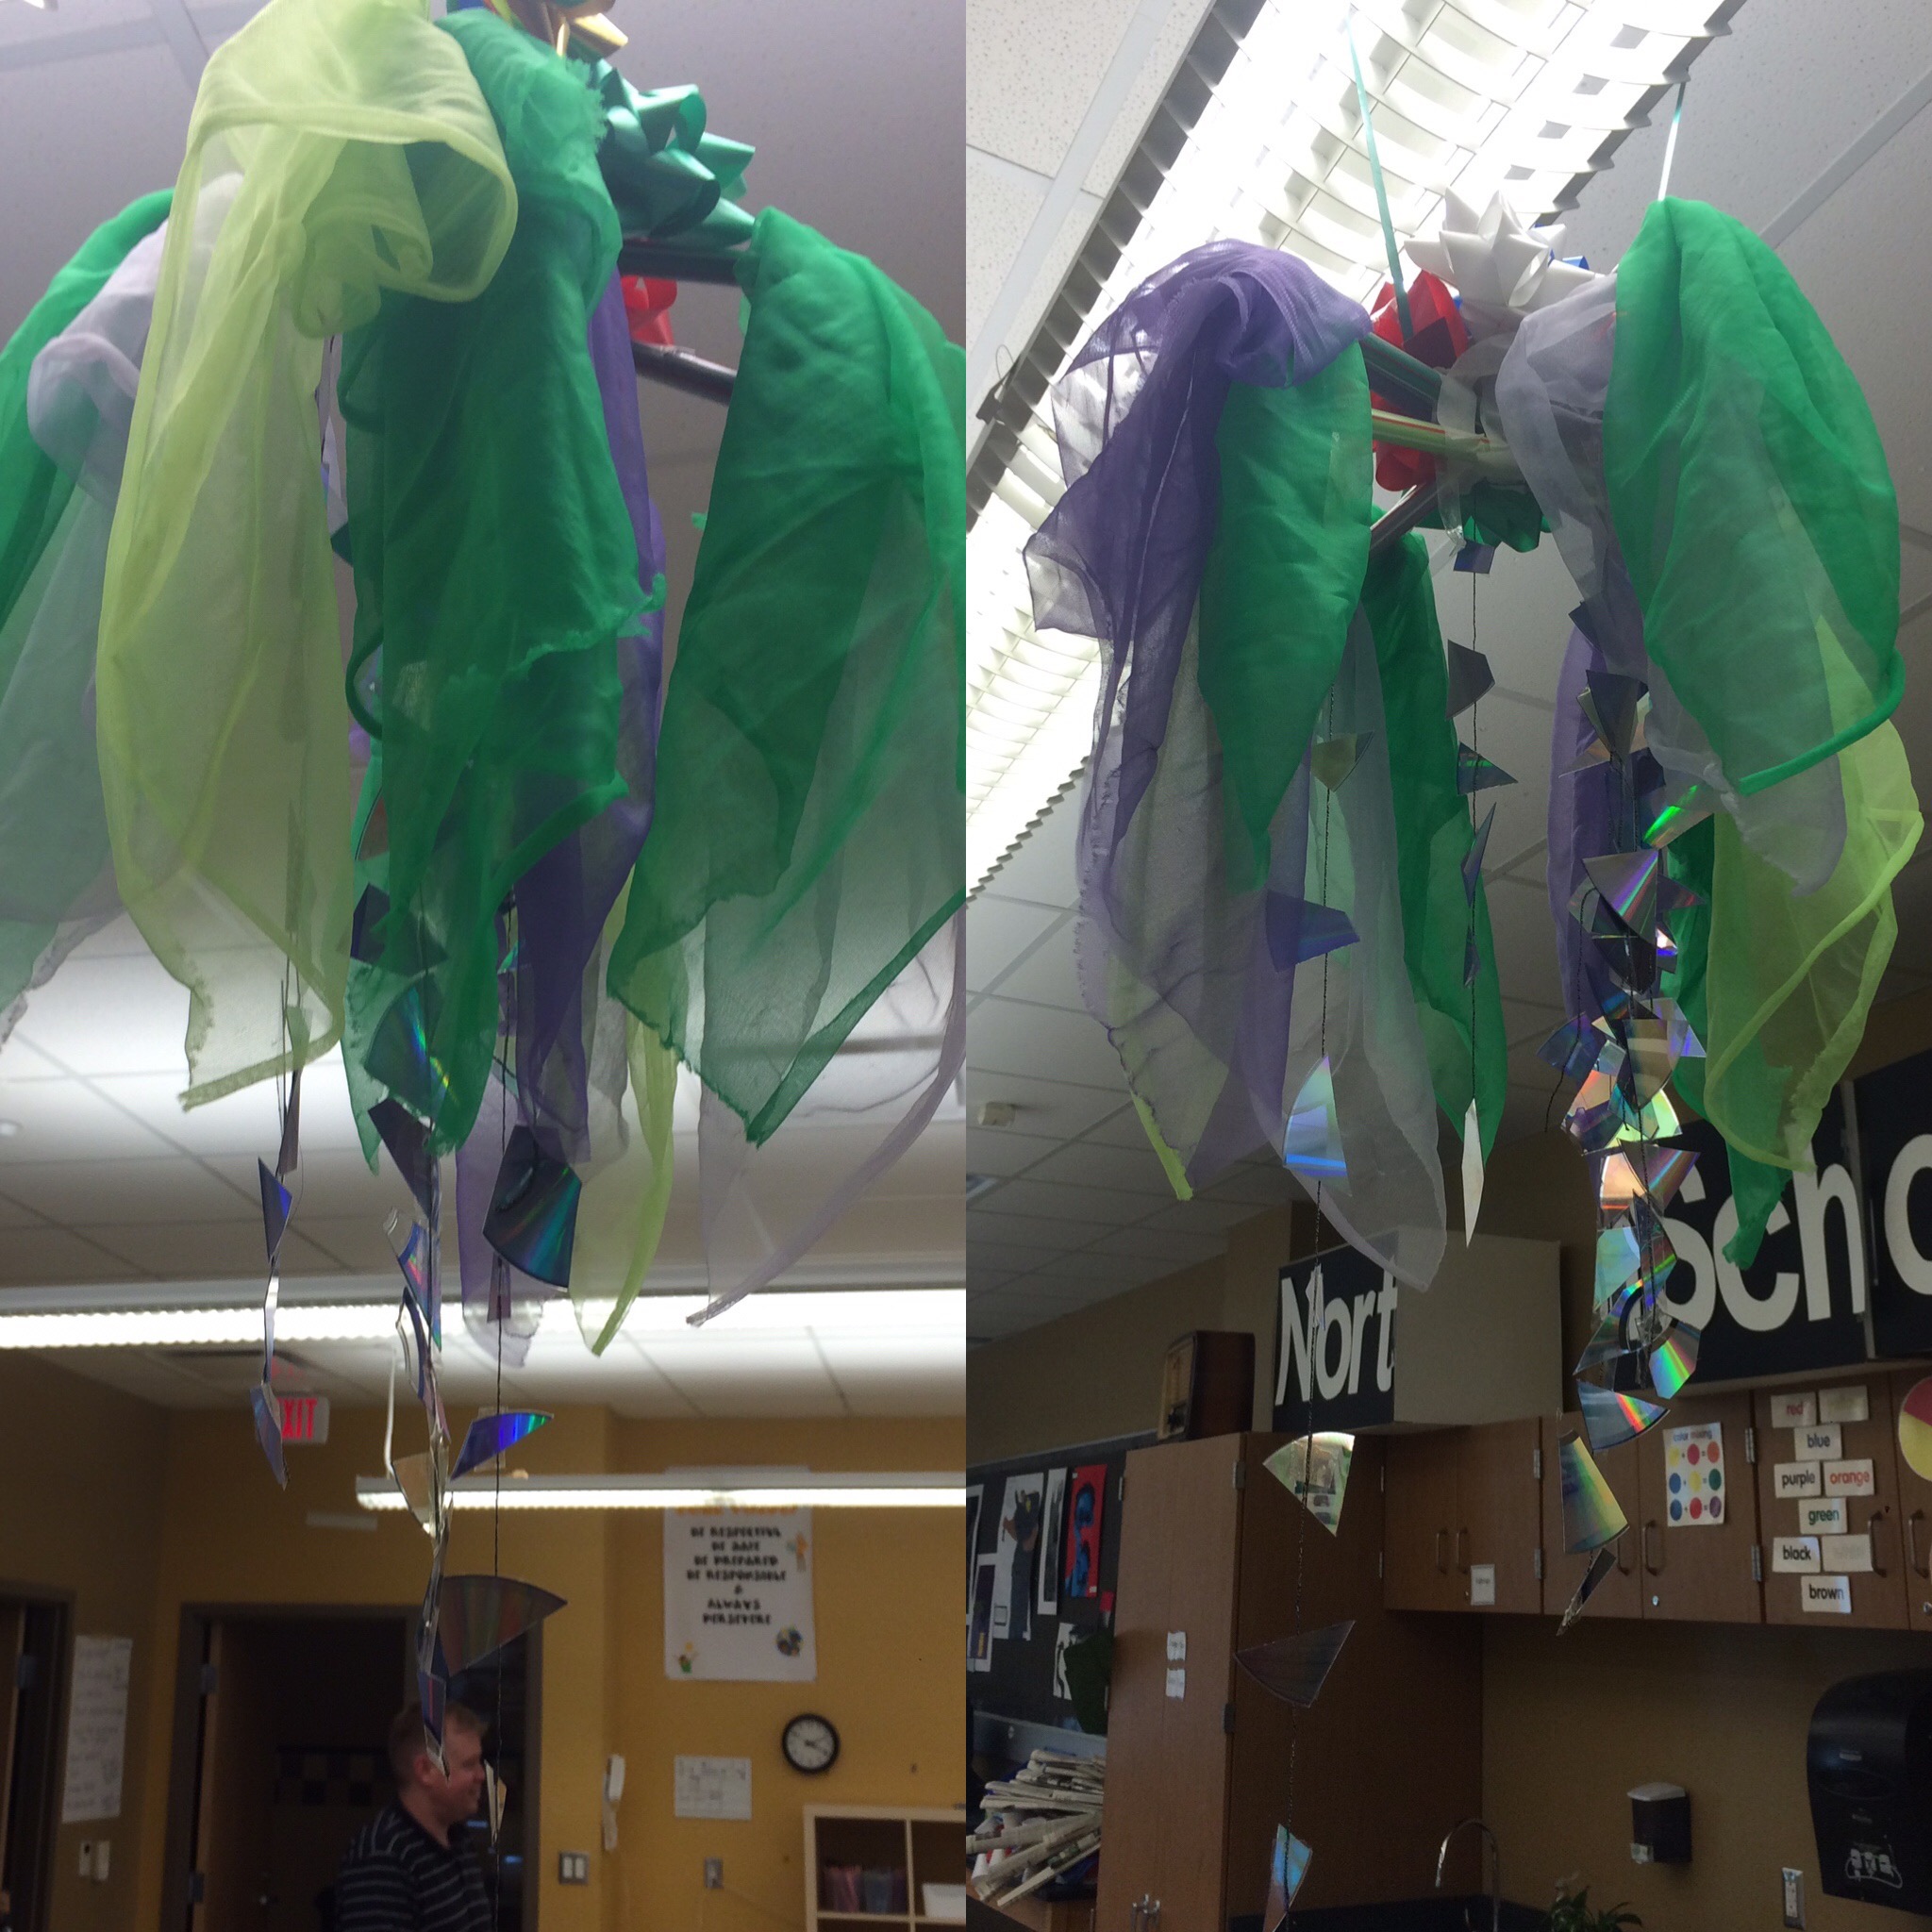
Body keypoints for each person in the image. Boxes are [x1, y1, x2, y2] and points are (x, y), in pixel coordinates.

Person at [334, 1702, 491, 1931]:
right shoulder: (383, 1857)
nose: (481, 1775)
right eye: (469, 1765)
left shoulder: (458, 1837)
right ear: (425, 1771)